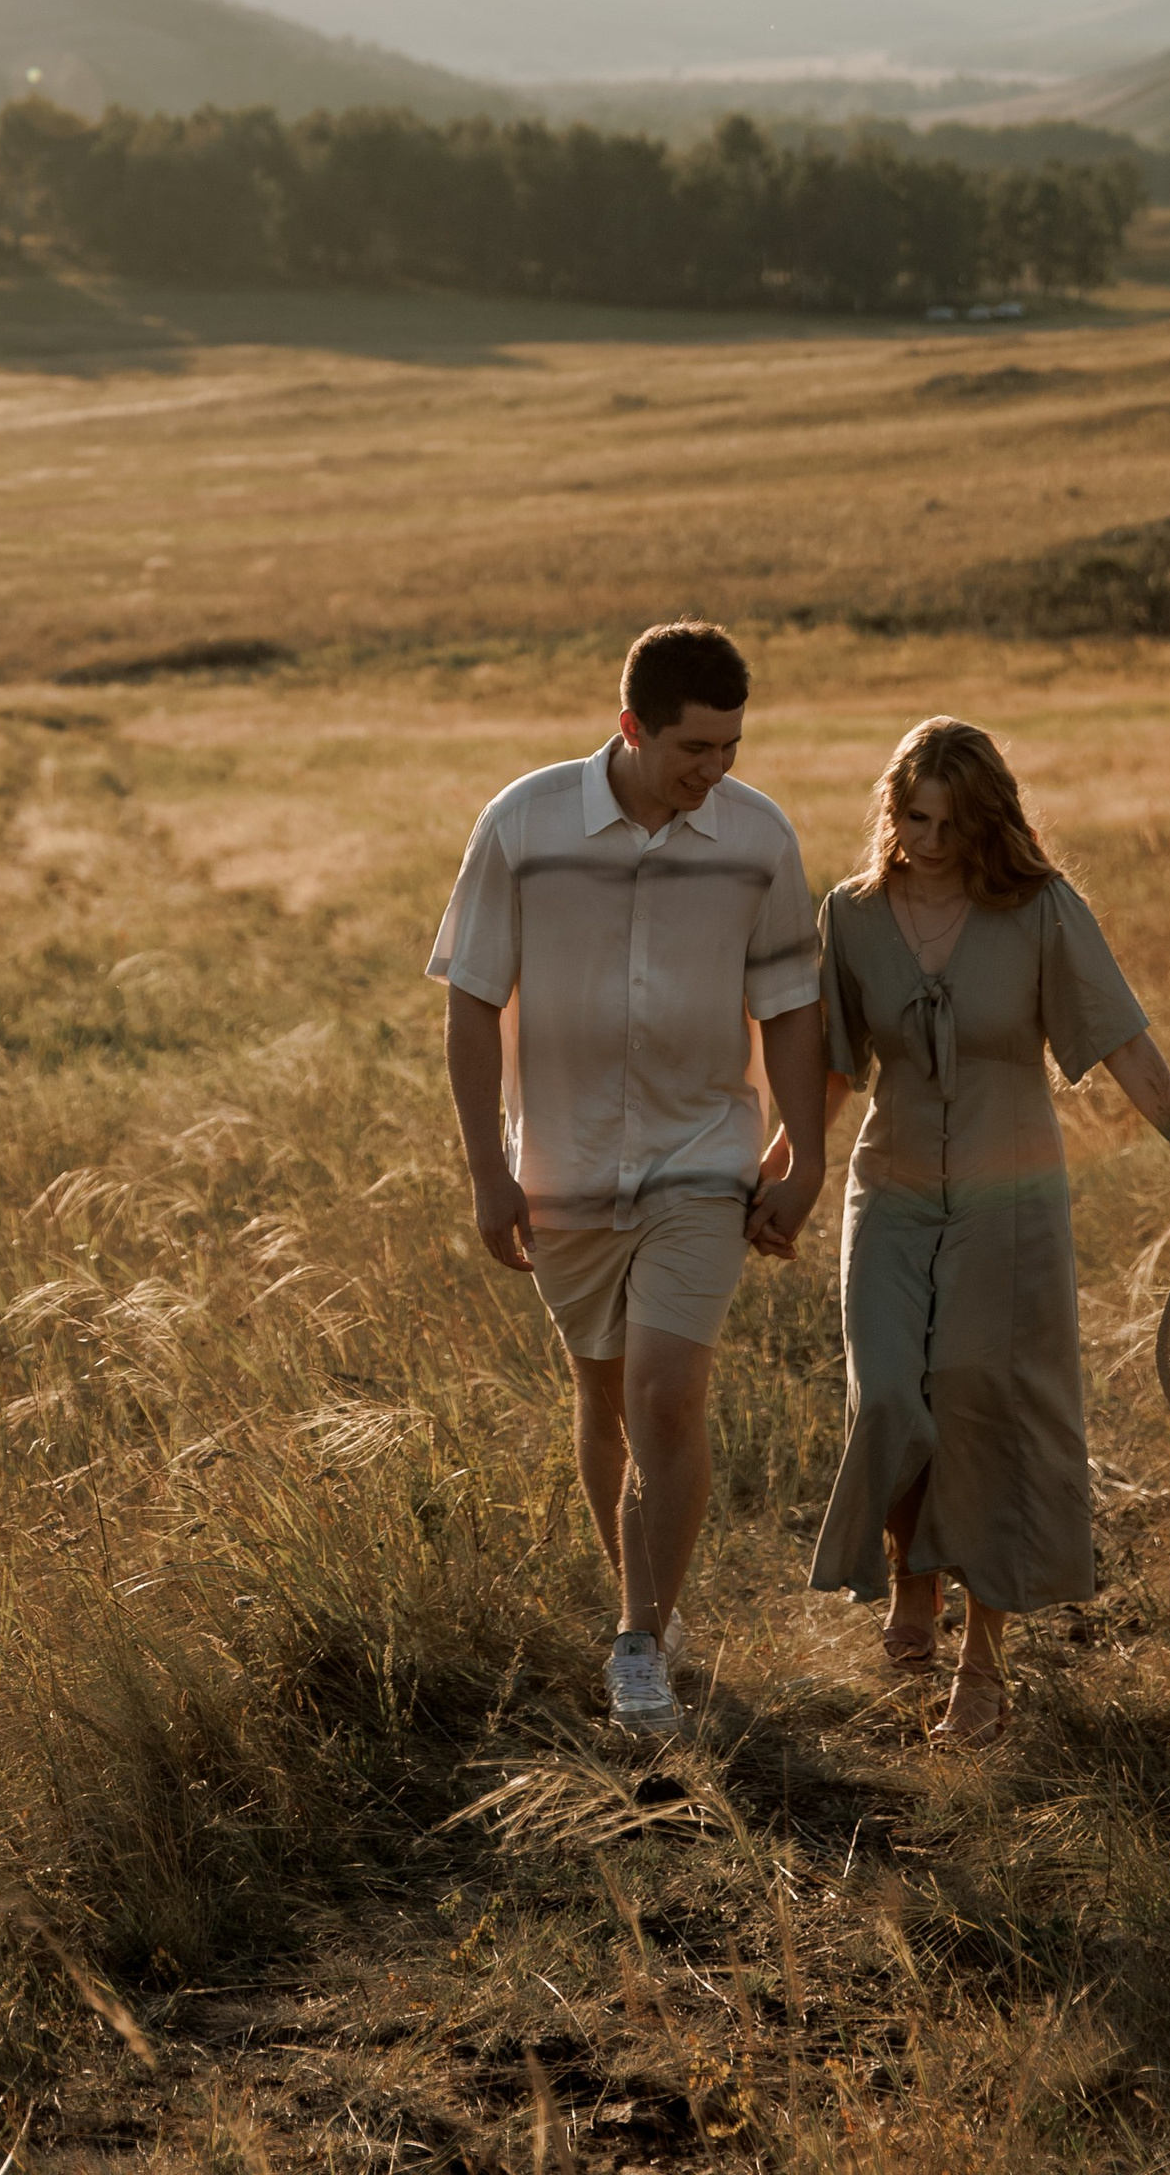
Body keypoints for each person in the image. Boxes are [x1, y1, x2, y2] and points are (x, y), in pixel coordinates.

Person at [787, 717, 1170, 1746]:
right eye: (912, 815)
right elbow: (834, 1071)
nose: (926, 839)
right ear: (891, 807)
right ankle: (911, 1562)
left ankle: (981, 1659)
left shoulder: (1040, 910)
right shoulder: (851, 915)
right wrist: (786, 1173)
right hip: (893, 1184)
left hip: (1012, 1199)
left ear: (987, 822)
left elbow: (1123, 1041)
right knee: (887, 1392)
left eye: (950, 823)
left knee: (981, 1399)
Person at [431, 619, 830, 1744]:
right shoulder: (525, 825)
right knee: (602, 1394)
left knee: (666, 1392)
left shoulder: (757, 840)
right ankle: (638, 1606)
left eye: (730, 750)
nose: (714, 772)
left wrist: (802, 1155)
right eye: (692, 750)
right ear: (630, 728)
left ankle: (641, 1638)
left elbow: (790, 1008)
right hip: (558, 1165)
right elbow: (469, 1001)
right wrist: (484, 1172)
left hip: (701, 1155)